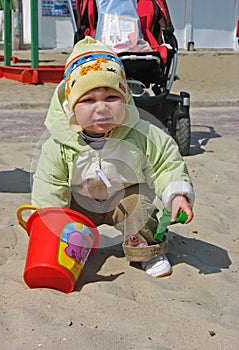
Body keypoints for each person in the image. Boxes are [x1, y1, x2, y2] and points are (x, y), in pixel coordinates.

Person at [31, 36, 195, 278]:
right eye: (88, 100)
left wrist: (178, 193)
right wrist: (49, 221)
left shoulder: (142, 133)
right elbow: (50, 185)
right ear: (71, 107)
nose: (102, 108)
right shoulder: (59, 144)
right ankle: (68, 251)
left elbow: (165, 162)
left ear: (126, 98)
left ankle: (146, 251)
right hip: (78, 203)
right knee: (58, 220)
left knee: (140, 207)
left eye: (111, 98)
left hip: (123, 196)